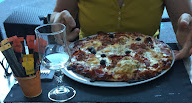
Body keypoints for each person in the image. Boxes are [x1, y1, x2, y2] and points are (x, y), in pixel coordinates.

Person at [50, 0, 192, 61]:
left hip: (148, 61)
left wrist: (187, 38)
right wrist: (58, 24)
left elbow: (186, 23)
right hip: (86, 60)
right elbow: (58, 14)